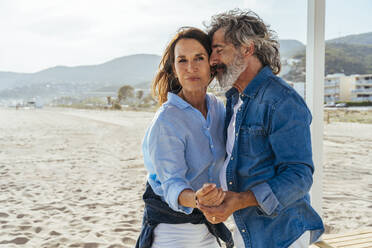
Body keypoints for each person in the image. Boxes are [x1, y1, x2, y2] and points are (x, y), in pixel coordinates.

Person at [197, 9, 325, 248]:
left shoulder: (281, 100)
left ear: (247, 48)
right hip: (248, 233)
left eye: (219, 50)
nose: (212, 60)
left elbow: (299, 176)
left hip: (283, 236)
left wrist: (240, 200)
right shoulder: (235, 100)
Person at [135, 27, 233, 248]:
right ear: (174, 69)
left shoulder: (218, 107)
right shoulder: (167, 120)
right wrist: (199, 199)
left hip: (209, 228)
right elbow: (172, 184)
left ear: (211, 63)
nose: (191, 67)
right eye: (182, 60)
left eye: (199, 58)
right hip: (173, 230)